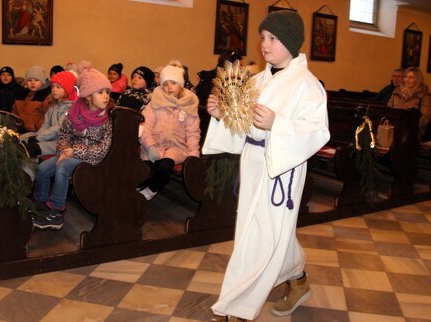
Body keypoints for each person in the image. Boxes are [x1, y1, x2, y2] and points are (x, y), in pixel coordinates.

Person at [203, 10, 330, 321]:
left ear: (290, 41)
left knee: (262, 236)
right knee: (259, 229)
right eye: (262, 37)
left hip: (281, 167)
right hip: (254, 161)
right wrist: (222, 115)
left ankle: (236, 307)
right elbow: (243, 125)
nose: (265, 44)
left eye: (272, 38)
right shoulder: (257, 79)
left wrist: (278, 124)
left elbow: (318, 130)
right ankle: (297, 282)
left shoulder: (307, 85)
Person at [31, 61, 113, 230]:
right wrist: (63, 150)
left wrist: (74, 151)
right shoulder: (75, 112)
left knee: (63, 166)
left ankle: (56, 213)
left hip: (93, 159)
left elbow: (103, 150)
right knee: (44, 168)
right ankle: (39, 204)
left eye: (107, 92)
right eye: (100, 92)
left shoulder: (108, 118)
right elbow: (64, 134)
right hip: (70, 152)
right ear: (88, 96)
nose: (106, 96)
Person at [138, 65, 201, 201]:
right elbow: (145, 127)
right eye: (165, 84)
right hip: (153, 146)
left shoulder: (188, 106)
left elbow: (193, 133)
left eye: (174, 83)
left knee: (165, 166)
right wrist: (150, 146)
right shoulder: (154, 103)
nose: (169, 87)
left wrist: (193, 156)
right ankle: (139, 186)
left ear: (181, 85)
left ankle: (152, 189)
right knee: (149, 172)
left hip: (176, 148)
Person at [21, 71, 78, 158]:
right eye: (53, 87)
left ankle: (32, 169)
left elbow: (58, 128)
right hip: (49, 137)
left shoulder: (70, 108)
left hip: (62, 142)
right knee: (21, 139)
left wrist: (38, 139)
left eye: (58, 87)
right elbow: (46, 124)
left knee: (31, 148)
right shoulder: (53, 105)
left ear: (67, 89)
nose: (54, 90)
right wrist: (37, 136)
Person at [388, 66, 431, 140]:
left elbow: (424, 119)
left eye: (411, 77)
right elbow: (389, 109)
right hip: (394, 127)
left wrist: (407, 124)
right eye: (405, 77)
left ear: (417, 79)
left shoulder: (424, 96)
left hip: (413, 131)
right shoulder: (396, 92)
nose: (407, 80)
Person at [12, 65, 52, 132]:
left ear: (42, 81)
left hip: (37, 132)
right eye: (29, 80)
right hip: (19, 130)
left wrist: (35, 127)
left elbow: (48, 117)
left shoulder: (47, 96)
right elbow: (14, 113)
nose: (33, 83)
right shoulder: (21, 95)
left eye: (36, 80)